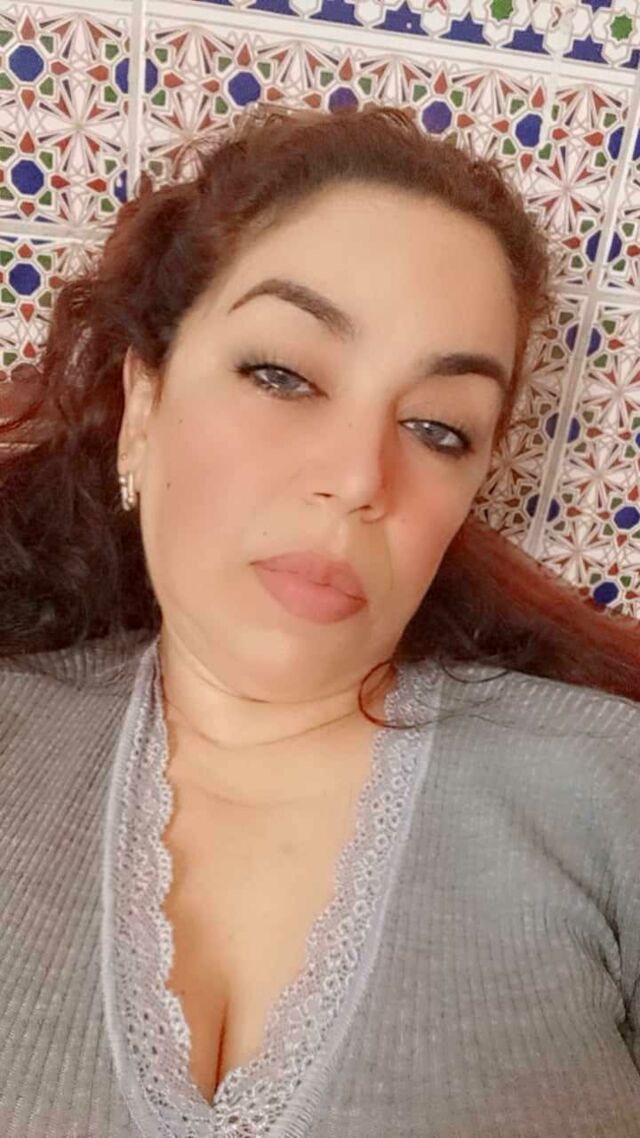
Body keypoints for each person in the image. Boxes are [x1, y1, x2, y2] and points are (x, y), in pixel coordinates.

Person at [0, 101, 639, 1138]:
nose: (358, 477)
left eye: (437, 428)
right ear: (145, 404)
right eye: (283, 375)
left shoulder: (609, 789)